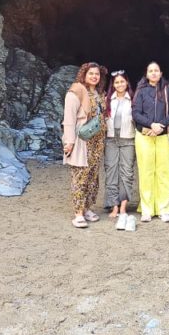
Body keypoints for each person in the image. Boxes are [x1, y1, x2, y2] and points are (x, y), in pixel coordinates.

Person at [132, 61, 169, 222]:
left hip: (164, 136)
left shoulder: (168, 90)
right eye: (150, 71)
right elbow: (136, 112)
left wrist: (162, 125)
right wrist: (150, 124)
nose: (153, 73)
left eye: (156, 70)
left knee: (164, 172)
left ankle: (163, 208)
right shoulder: (141, 91)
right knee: (146, 172)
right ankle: (146, 208)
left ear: (161, 73)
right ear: (146, 74)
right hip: (145, 136)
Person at [62, 62, 107, 228]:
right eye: (91, 73)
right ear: (84, 74)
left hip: (97, 141)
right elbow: (69, 119)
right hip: (83, 140)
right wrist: (69, 141)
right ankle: (78, 213)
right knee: (80, 176)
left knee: (93, 176)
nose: (94, 76)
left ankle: (88, 208)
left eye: (97, 74)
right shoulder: (76, 92)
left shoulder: (99, 93)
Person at [104, 69, 137, 231]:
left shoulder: (133, 100)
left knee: (126, 173)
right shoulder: (107, 100)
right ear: (113, 84)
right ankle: (113, 205)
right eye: (116, 82)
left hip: (128, 140)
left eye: (122, 81)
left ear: (127, 83)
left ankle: (123, 206)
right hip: (111, 140)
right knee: (111, 171)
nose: (119, 85)